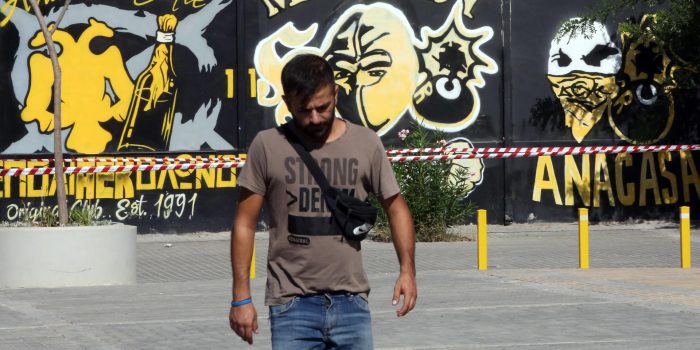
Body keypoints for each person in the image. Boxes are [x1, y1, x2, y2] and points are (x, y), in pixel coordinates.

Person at [228, 53, 417, 349]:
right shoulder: (267, 145)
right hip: (291, 305)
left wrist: (407, 271)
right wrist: (241, 296)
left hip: (352, 303)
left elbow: (396, 208)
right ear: (287, 102)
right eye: (304, 110)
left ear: (336, 94)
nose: (315, 118)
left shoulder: (366, 143)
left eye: (323, 107)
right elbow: (244, 223)